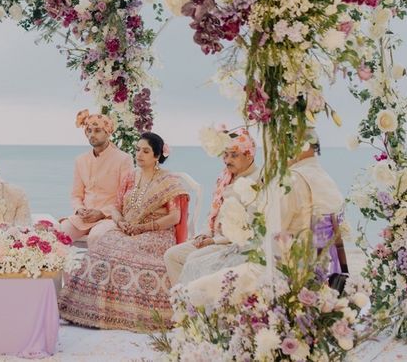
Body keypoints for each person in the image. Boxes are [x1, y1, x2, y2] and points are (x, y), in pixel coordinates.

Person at [184, 134, 345, 307]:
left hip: (283, 268)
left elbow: (272, 233)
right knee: (201, 261)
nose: (277, 154)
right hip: (320, 266)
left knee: (195, 277)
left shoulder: (293, 180)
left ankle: (207, 329)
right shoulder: (323, 178)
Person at [59, 132, 188, 332]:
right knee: (102, 246)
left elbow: (174, 218)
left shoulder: (168, 180)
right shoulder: (130, 177)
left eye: (146, 151)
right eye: (137, 150)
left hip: (156, 233)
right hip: (127, 228)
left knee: (125, 254)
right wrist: (120, 223)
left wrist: (143, 227)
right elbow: (116, 207)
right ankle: (92, 310)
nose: (139, 154)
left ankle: (129, 315)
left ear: (157, 156)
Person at [166, 128, 259, 285]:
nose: (227, 160)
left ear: (248, 154)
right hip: (212, 238)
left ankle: (194, 304)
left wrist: (215, 241)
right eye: (225, 154)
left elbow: (251, 229)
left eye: (234, 155)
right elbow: (212, 213)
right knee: (172, 255)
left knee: (193, 260)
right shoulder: (225, 177)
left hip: (232, 245)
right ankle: (182, 301)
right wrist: (204, 234)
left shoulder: (256, 181)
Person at [59, 110, 134, 243]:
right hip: (84, 217)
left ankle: (95, 264)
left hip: (109, 217)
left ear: (108, 132)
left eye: (97, 130)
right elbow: (76, 195)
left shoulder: (123, 159)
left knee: (96, 236)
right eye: (89, 130)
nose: (92, 135)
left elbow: (126, 197)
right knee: (60, 233)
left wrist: (102, 213)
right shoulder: (80, 160)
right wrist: (80, 209)